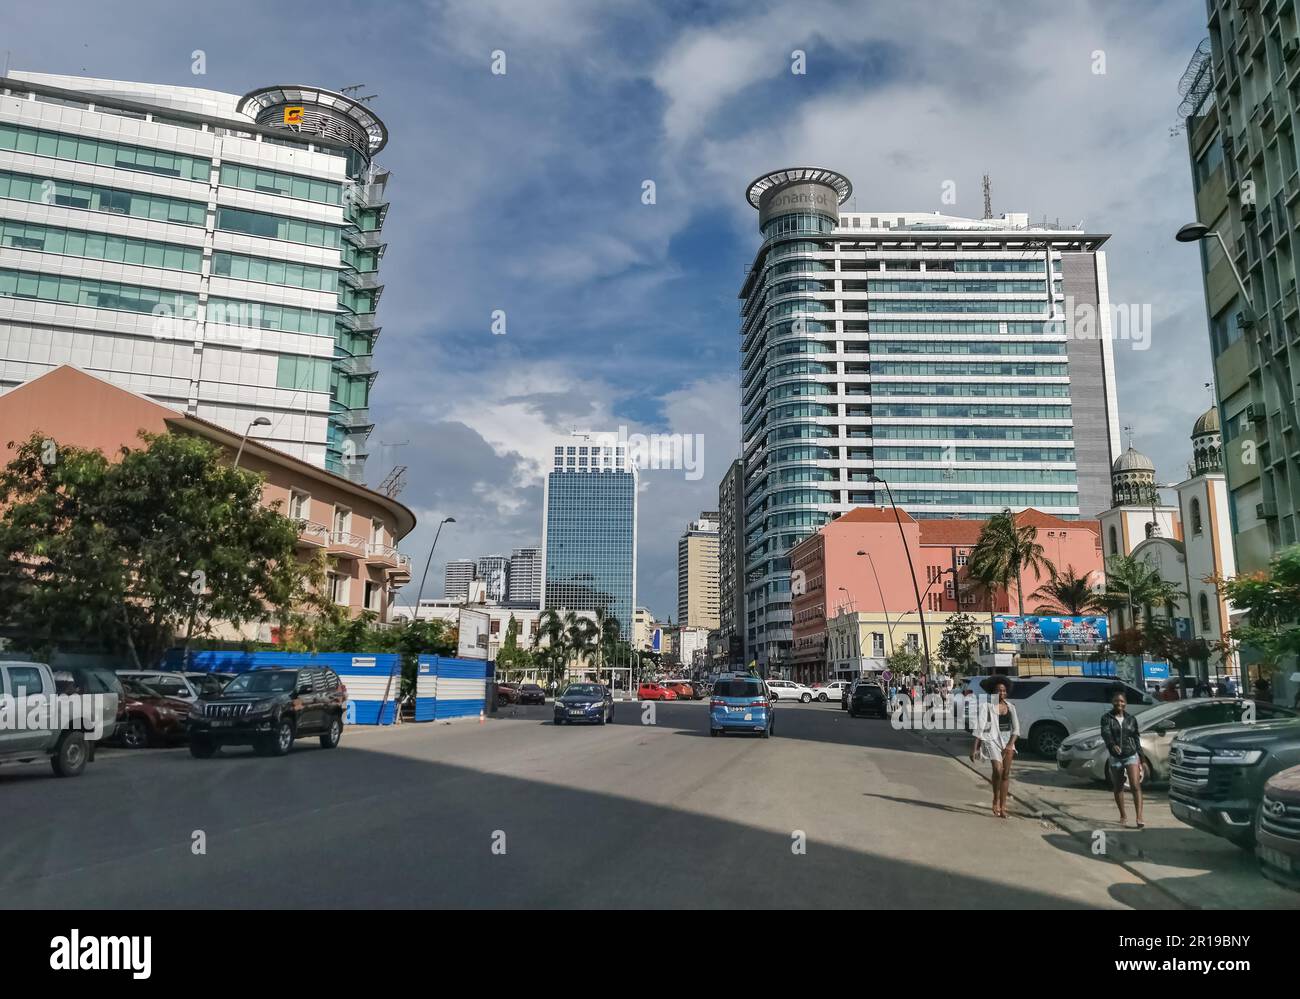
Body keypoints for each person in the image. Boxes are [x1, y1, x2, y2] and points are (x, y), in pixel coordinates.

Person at [969, 676, 1018, 819]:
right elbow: (980, 727)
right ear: (993, 693)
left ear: (1006, 692)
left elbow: (1016, 730)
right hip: (991, 740)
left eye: (1003, 690)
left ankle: (1003, 807)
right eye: (998, 691)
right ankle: (995, 799)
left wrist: (1010, 745)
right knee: (998, 770)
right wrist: (975, 748)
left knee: (1006, 774)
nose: (1001, 693)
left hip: (1007, 742)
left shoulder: (1011, 708)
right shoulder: (987, 707)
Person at [1101, 688, 1144, 829]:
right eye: (1116, 700)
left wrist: (1141, 759)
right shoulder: (1107, 718)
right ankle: (1123, 815)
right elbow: (1106, 734)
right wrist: (1112, 745)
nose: (1119, 703)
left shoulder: (1131, 719)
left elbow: (1136, 738)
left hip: (1131, 755)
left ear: (1125, 703)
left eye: (1122, 701)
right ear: (1112, 702)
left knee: (1135, 785)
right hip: (1115, 757)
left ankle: (1139, 817)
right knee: (1118, 786)